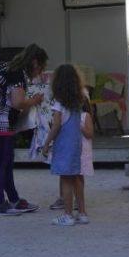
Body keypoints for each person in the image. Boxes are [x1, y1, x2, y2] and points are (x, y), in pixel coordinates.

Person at [0, 44, 48, 216]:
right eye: (41, 68)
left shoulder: (8, 67)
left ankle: (14, 199)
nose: (39, 73)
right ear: (35, 62)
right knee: (1, 163)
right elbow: (18, 102)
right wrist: (35, 100)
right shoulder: (16, 73)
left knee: (6, 161)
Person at [41, 64, 95, 226]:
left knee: (66, 180)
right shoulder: (79, 101)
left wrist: (47, 143)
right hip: (77, 145)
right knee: (77, 178)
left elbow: (56, 125)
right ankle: (83, 213)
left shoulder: (59, 103)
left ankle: (67, 215)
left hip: (64, 146)